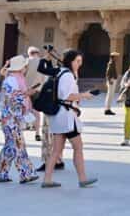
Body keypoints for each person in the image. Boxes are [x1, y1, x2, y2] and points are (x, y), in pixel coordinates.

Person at [42, 48, 97, 189]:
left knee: (56, 150)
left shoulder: (61, 72)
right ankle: (82, 178)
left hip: (59, 116)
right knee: (78, 147)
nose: (79, 64)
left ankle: (47, 179)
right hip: (66, 116)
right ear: (70, 61)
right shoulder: (67, 75)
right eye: (77, 61)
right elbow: (67, 96)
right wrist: (85, 95)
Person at [0, 55, 39, 184]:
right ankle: (26, 173)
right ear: (20, 67)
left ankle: (0, 174)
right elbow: (12, 98)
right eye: (24, 66)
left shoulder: (16, 79)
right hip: (11, 118)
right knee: (18, 145)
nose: (26, 68)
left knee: (10, 147)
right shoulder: (12, 80)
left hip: (12, 117)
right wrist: (27, 94)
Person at [24, 47, 46, 140]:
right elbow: (44, 78)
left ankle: (28, 124)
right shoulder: (42, 62)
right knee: (37, 112)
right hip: (37, 90)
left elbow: (22, 74)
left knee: (25, 109)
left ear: (30, 53)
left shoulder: (27, 61)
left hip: (26, 89)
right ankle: (37, 133)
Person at [104, 52, 119, 116]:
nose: (117, 58)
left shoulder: (113, 63)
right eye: (116, 56)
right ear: (113, 57)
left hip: (112, 79)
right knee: (110, 95)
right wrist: (109, 80)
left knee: (111, 95)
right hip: (111, 80)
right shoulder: (111, 63)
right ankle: (107, 109)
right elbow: (107, 73)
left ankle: (108, 108)